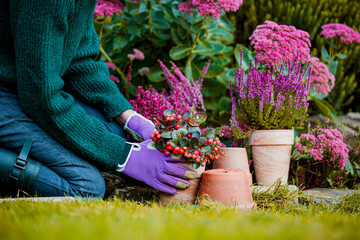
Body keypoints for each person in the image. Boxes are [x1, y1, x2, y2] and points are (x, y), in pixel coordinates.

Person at [0, 0, 196, 198]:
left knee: (113, 131)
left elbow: (78, 60)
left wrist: (128, 117)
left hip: (24, 87)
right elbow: (40, 96)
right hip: (13, 94)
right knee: (86, 187)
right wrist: (125, 157)